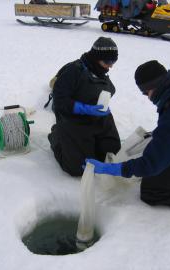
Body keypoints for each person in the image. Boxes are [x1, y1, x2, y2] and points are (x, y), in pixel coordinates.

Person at [87, 60, 170, 210]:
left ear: (155, 85)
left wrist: (111, 169)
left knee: (151, 190)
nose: (147, 97)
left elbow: (152, 164)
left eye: (146, 92)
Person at [48, 37, 121, 177]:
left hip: (98, 118)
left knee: (112, 155)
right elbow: (59, 101)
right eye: (108, 62)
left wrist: (103, 106)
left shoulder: (100, 71)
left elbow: (110, 89)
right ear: (96, 57)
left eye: (113, 62)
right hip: (74, 120)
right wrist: (84, 108)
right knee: (78, 168)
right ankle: (56, 136)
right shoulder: (73, 71)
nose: (110, 66)